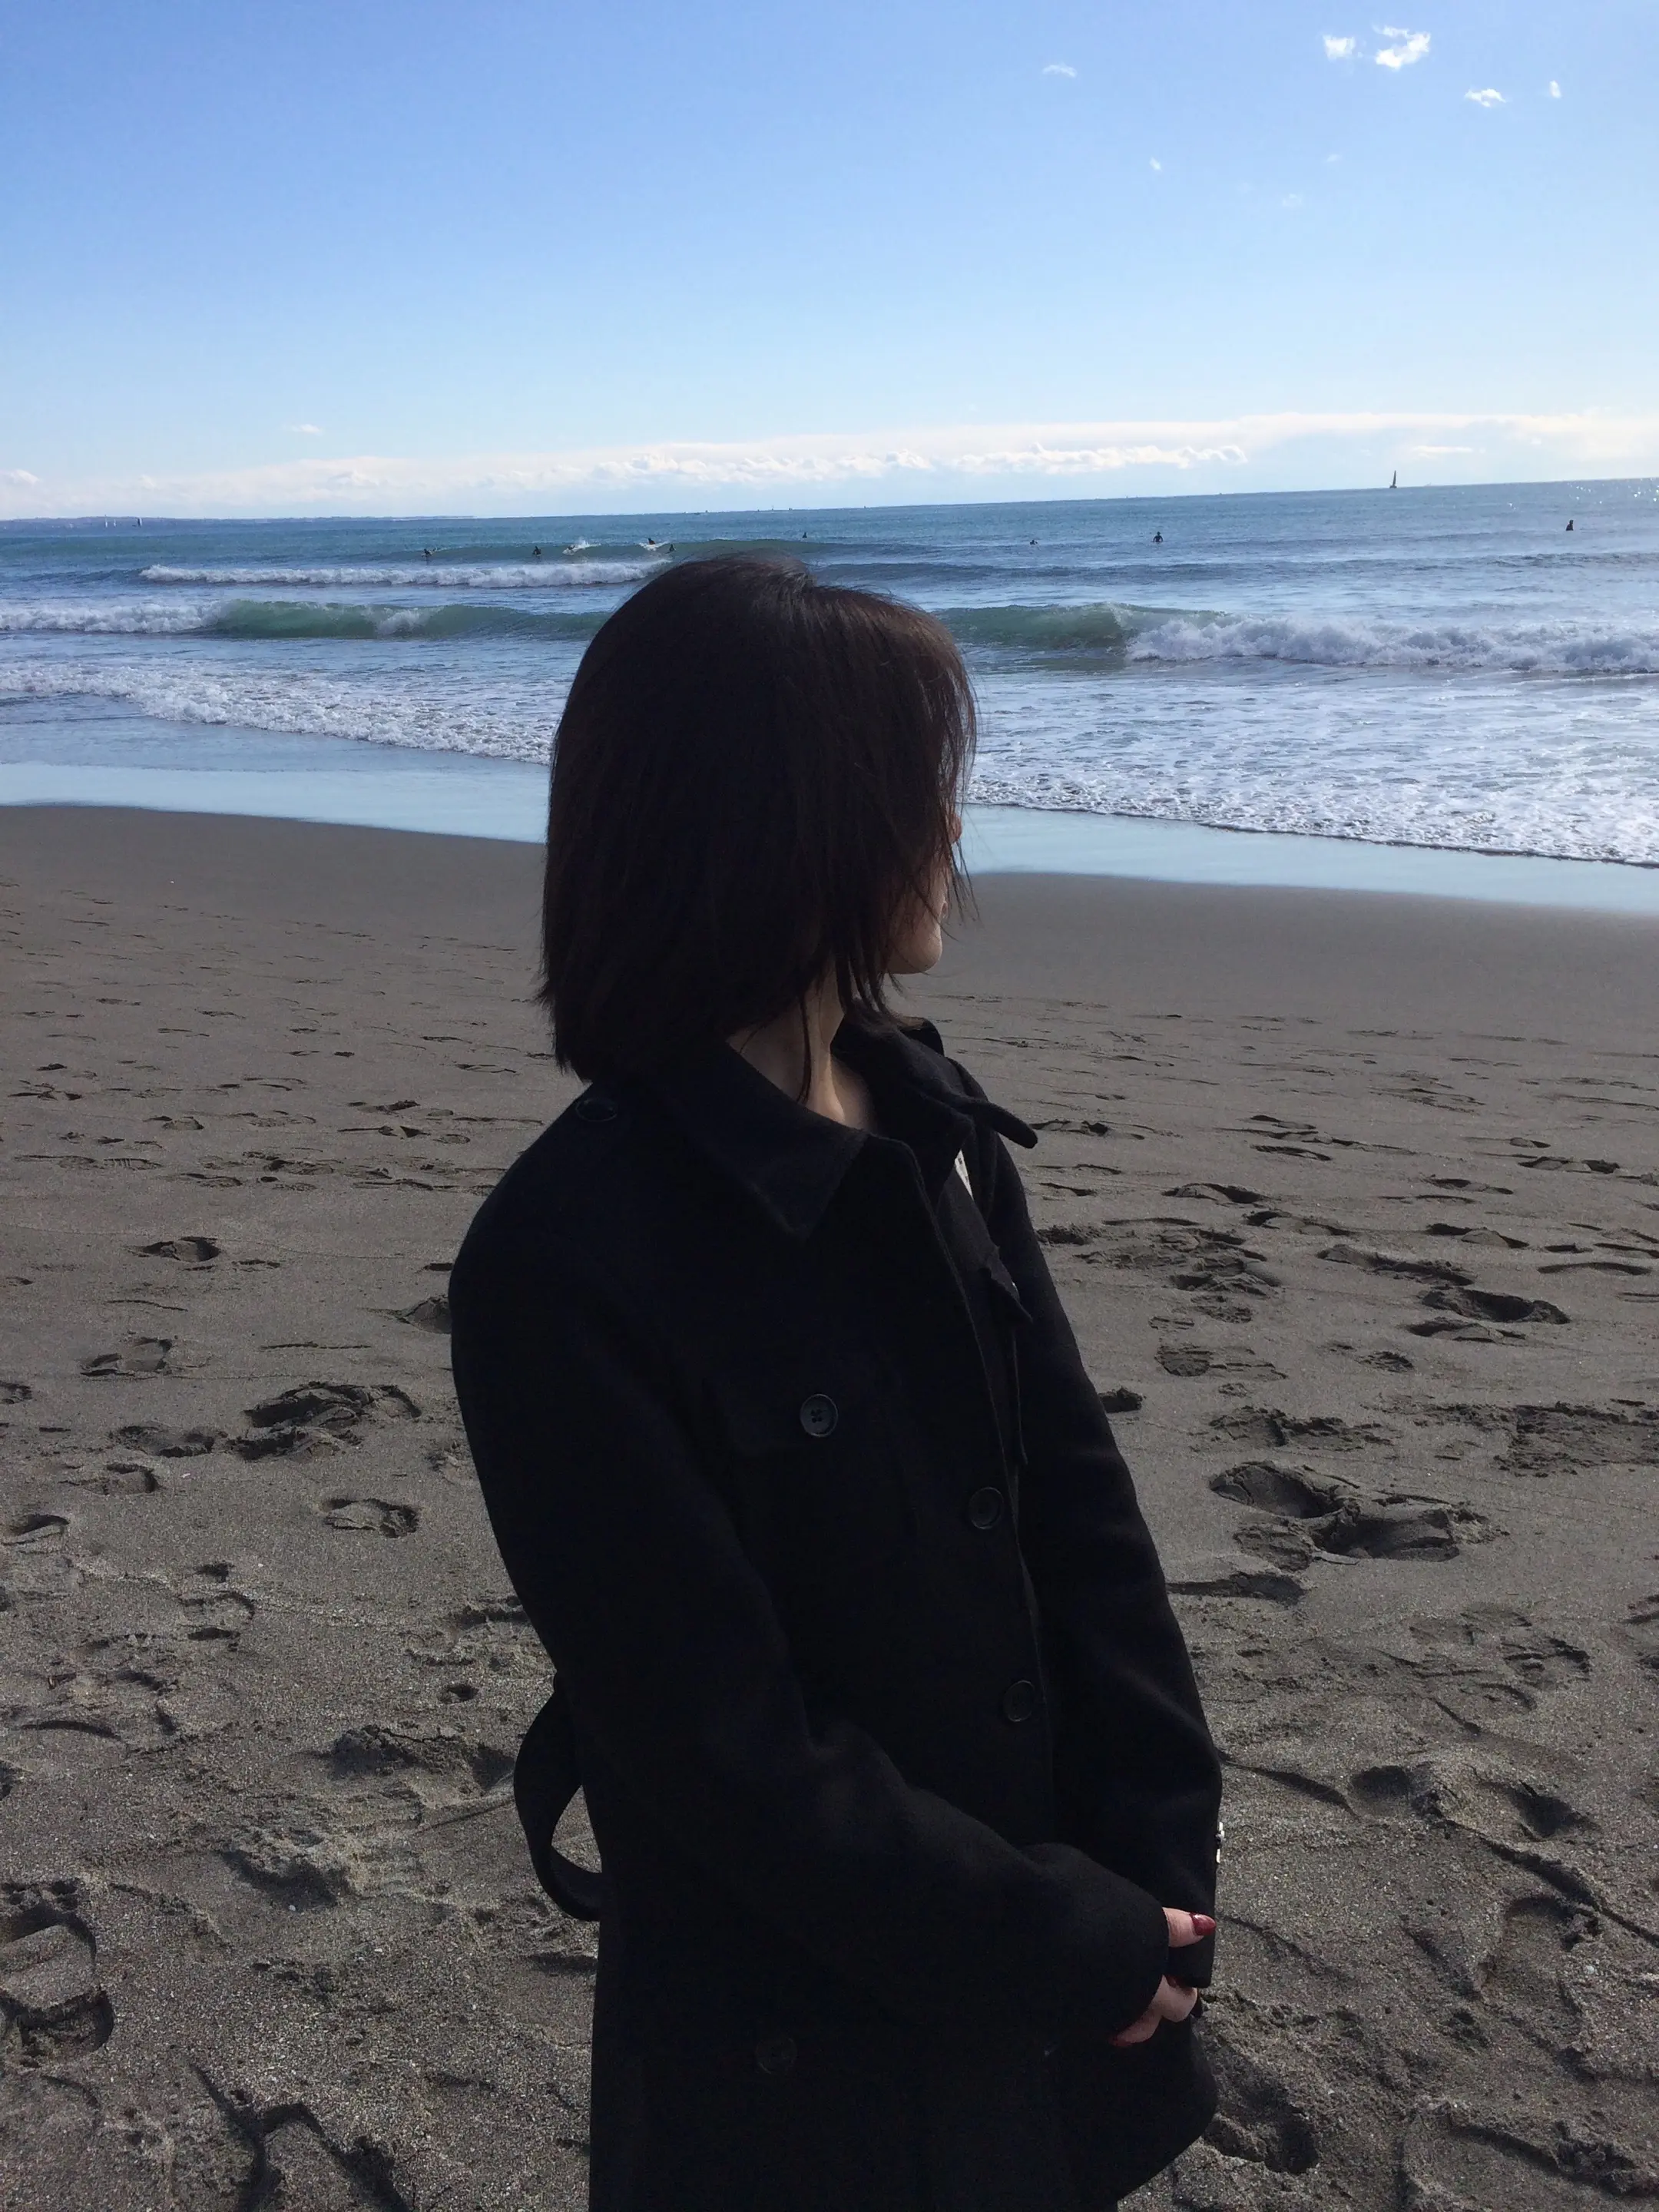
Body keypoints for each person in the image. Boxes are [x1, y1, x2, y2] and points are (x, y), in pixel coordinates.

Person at [449, 556, 1223, 2212]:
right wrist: (1053, 1938)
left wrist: (1159, 1863)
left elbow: (1086, 1523)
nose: (949, 829)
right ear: (788, 824)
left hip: (1052, 1976)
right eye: (914, 786)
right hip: (785, 2063)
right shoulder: (564, 1262)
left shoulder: (935, 1132)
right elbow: (725, 1750)